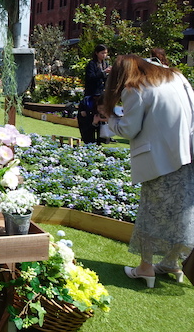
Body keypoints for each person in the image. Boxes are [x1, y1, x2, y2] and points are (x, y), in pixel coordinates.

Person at [102, 54, 194, 288]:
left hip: (158, 160)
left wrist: (109, 117)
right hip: (187, 155)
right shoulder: (177, 77)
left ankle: (145, 267)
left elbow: (128, 129)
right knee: (179, 213)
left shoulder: (136, 88)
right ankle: (171, 262)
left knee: (150, 213)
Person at [78, 44, 111, 144]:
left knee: (102, 116)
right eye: (102, 53)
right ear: (97, 53)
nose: (104, 55)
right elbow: (91, 78)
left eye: (105, 53)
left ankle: (102, 138)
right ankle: (89, 138)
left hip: (102, 94)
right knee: (90, 116)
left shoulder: (105, 64)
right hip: (92, 94)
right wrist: (104, 72)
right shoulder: (91, 64)